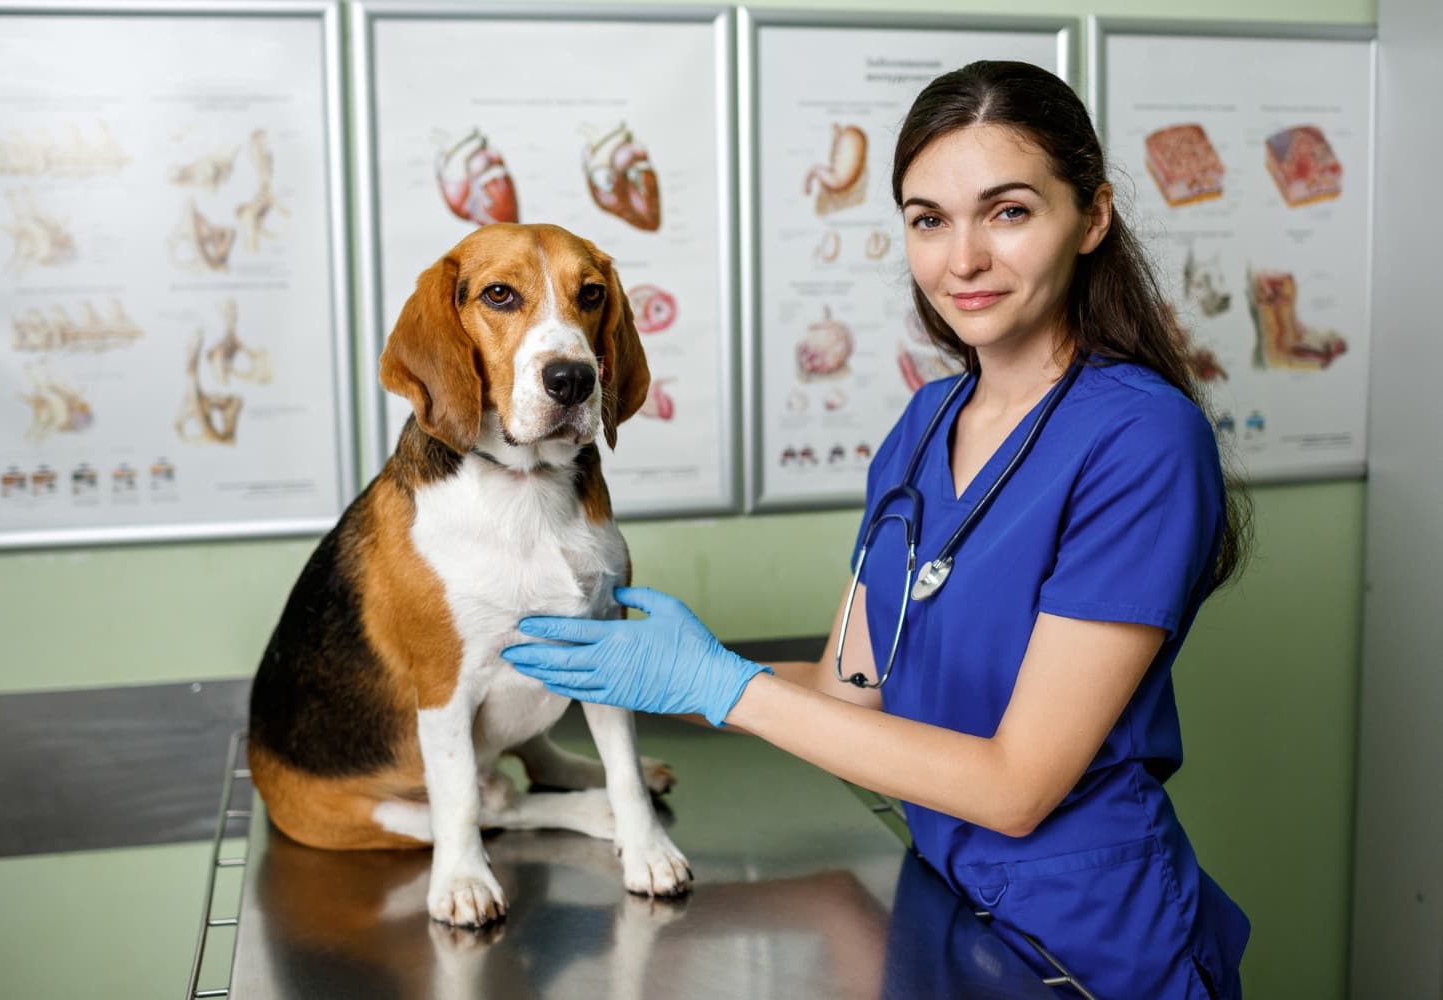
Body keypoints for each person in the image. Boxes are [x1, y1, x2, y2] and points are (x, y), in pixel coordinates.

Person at [504, 59, 1251, 999]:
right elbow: (851, 692)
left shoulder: (1142, 438)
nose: (961, 259)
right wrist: (645, 674)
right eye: (928, 219)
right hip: (946, 905)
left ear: (1092, 218)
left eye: (1009, 211)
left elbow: (1017, 786)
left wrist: (717, 684)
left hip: (1093, 945)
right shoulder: (923, 426)